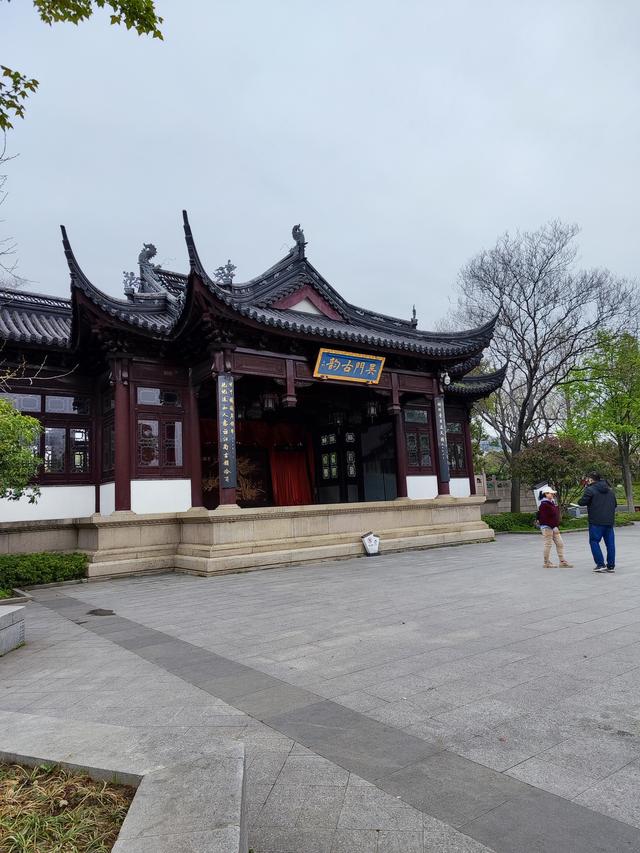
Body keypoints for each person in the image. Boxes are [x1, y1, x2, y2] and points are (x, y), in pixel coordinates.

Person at [578, 472, 617, 573]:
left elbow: (581, 502)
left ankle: (600, 564)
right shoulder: (610, 490)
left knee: (594, 541)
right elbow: (615, 505)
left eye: (588, 479)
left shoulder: (590, 490)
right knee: (610, 544)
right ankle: (611, 566)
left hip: (596, 521)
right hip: (609, 522)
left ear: (591, 479)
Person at [537, 488, 573, 568]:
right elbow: (545, 518)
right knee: (548, 544)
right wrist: (554, 527)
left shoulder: (551, 502)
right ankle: (546, 563)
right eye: (551, 493)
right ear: (546, 494)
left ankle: (562, 561)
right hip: (547, 528)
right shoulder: (544, 504)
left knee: (560, 543)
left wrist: (555, 526)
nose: (553, 494)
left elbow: (553, 516)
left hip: (553, 527)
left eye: (553, 493)